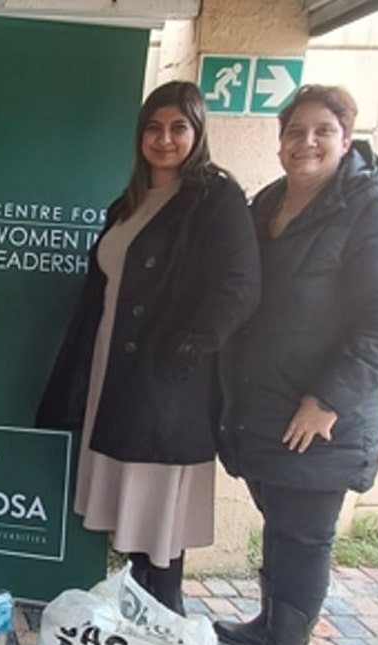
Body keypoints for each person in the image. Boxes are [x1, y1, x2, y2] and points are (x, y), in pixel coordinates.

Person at [217, 85, 378, 645]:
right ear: (279, 143)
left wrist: (326, 399)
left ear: (346, 139)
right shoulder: (270, 202)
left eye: (323, 130)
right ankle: (268, 622)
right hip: (262, 409)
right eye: (295, 131)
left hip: (320, 420)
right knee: (280, 524)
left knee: (304, 538)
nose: (307, 142)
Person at [38, 81, 260, 614]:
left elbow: (240, 285)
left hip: (167, 382)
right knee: (131, 502)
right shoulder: (129, 203)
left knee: (160, 510)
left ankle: (167, 616)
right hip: (113, 371)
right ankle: (142, 612)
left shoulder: (214, 198)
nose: (164, 139)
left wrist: (186, 351)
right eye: (153, 128)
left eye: (178, 127)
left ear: (198, 132)